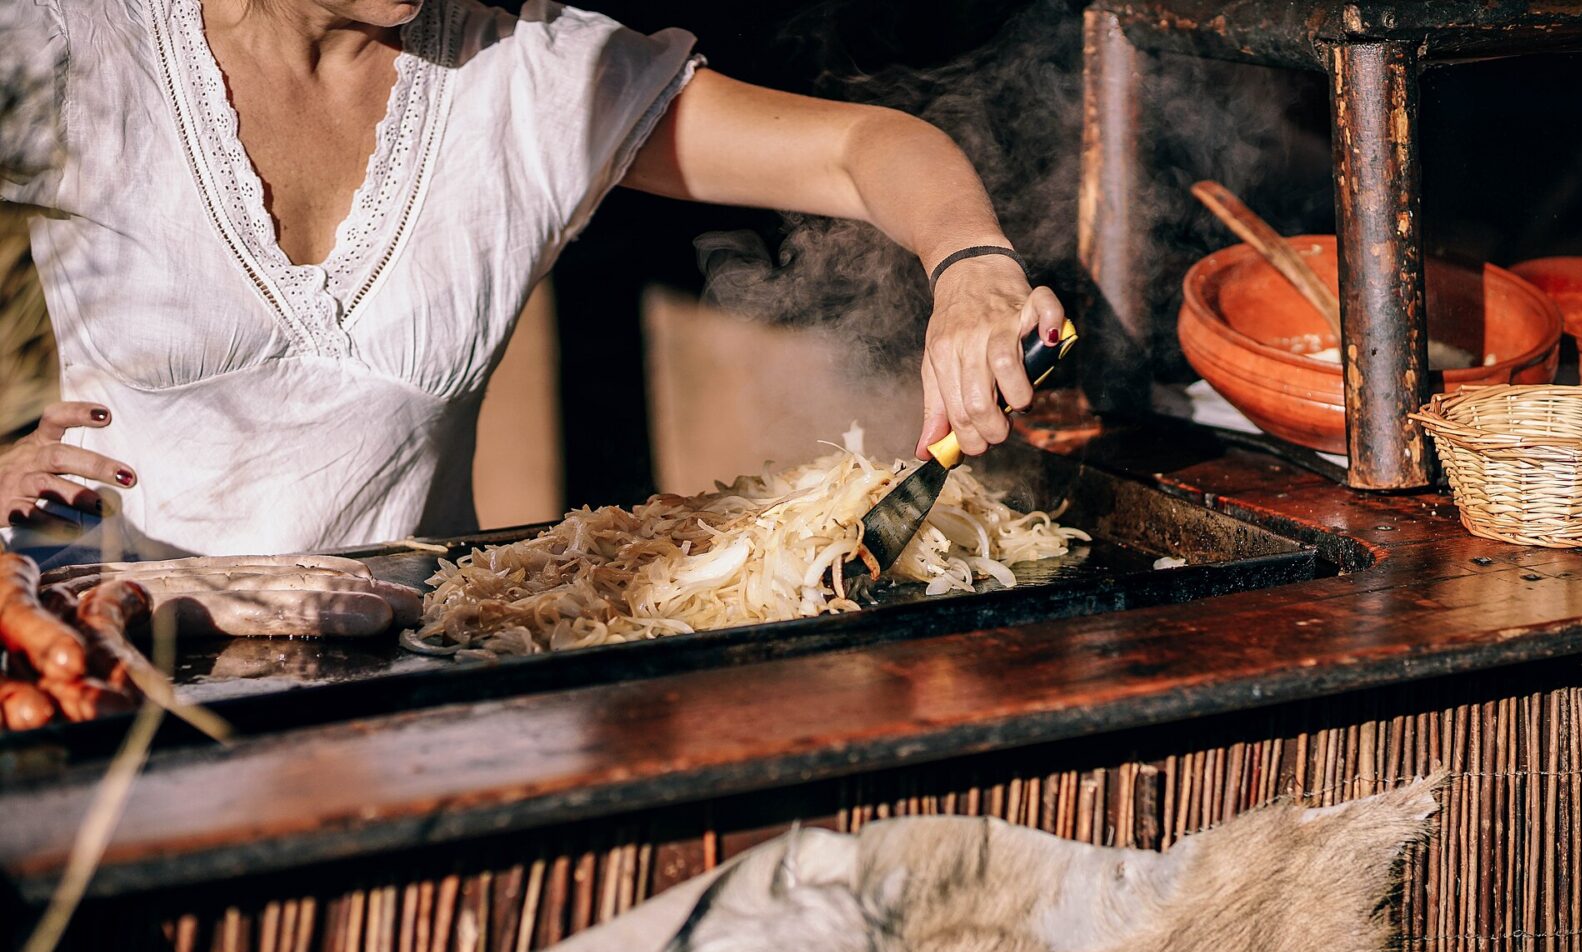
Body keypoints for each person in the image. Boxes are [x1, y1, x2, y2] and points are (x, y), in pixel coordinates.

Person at [0, 0, 1067, 562]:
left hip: (416, 690)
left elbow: (861, 149)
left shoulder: (526, 76)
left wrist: (971, 267)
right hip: (125, 683)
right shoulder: (63, 48)